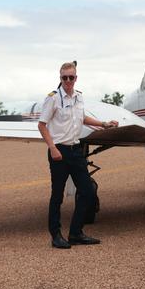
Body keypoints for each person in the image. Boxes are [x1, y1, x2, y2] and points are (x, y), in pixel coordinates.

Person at [38, 61, 119, 249]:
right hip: (59, 151)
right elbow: (42, 125)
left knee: (88, 192)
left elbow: (82, 118)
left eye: (71, 77)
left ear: (76, 78)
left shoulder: (79, 97)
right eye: (64, 77)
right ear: (60, 78)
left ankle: (75, 232)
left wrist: (103, 124)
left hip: (75, 150)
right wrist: (52, 148)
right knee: (57, 196)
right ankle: (56, 235)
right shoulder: (52, 98)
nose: (68, 81)